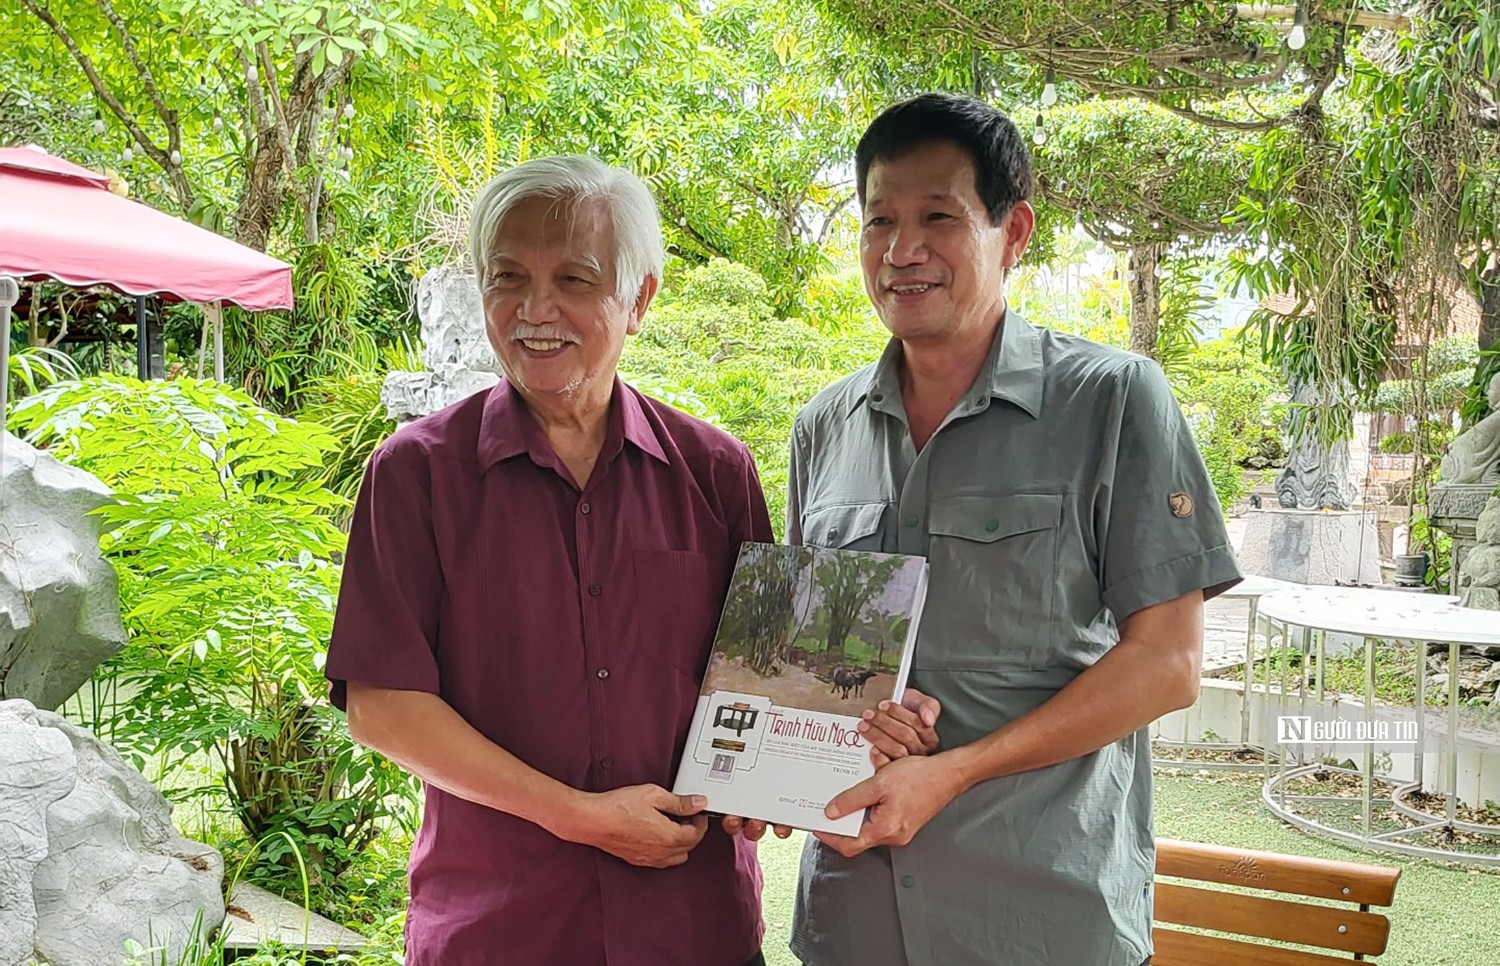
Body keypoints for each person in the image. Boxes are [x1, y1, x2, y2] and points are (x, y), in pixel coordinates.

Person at [784, 93, 1243, 966]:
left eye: (937, 218)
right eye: (878, 220)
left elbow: (1170, 665)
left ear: (1014, 231)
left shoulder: (1114, 401)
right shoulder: (824, 428)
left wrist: (950, 768)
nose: (902, 250)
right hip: (854, 919)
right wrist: (858, 721)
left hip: (1042, 919)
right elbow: (814, 668)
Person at [325, 155, 777, 966]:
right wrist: (581, 815)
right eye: (507, 278)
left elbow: (764, 691)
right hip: (498, 929)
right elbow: (382, 706)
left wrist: (779, 779)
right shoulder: (416, 475)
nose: (536, 310)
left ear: (640, 299)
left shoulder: (716, 473)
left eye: (575, 278)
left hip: (691, 928)